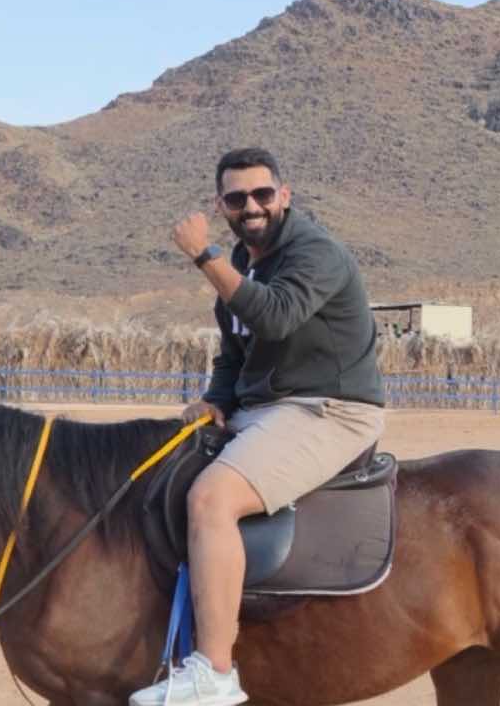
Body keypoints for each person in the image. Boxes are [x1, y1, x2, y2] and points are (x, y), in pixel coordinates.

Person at [131, 148, 386, 706]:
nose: (251, 206)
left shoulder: (315, 253)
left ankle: (215, 674)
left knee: (211, 499)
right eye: (237, 198)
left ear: (284, 196)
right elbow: (236, 348)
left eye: (262, 195)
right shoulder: (245, 262)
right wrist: (215, 400)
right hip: (264, 407)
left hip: (329, 409)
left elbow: (273, 315)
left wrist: (204, 256)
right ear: (220, 204)